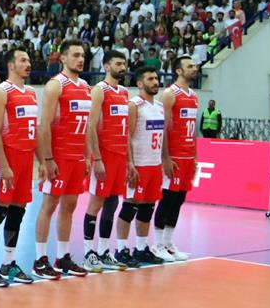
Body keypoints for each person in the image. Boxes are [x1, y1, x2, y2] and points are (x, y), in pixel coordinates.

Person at [0, 47, 38, 286]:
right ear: (11, 65)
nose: (28, 64)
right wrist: (4, 166)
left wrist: (42, 161)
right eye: (23, 60)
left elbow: (34, 130)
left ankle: (9, 263)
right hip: (8, 157)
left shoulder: (31, 92)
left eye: (29, 60)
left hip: (26, 159)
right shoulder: (2, 91)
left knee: (17, 212)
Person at [33, 39, 92, 280]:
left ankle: (62, 257)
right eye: (75, 55)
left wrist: (87, 155)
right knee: (49, 205)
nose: (80, 59)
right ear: (63, 58)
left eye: (83, 55)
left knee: (70, 205)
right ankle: (40, 259)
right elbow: (44, 125)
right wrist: (47, 159)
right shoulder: (56, 85)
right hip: (59, 156)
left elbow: (86, 126)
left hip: (77, 157)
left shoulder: (86, 86)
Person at [82, 50, 133, 273]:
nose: (122, 67)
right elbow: (91, 126)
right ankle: (88, 253)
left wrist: (129, 161)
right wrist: (97, 159)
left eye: (124, 64)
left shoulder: (124, 92)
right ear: (106, 66)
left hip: (120, 157)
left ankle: (104, 251)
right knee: (96, 203)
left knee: (112, 204)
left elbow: (126, 130)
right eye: (118, 63)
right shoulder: (99, 90)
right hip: (105, 155)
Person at [116, 68, 167, 267]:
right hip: (139, 164)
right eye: (150, 79)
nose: (155, 82)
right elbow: (126, 136)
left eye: (156, 78)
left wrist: (163, 160)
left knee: (148, 207)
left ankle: (141, 248)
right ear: (139, 83)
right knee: (130, 205)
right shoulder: (134, 105)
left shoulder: (160, 106)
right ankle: (121, 250)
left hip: (154, 164)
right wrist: (129, 163)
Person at [153, 56, 200, 261]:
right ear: (179, 71)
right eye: (190, 66)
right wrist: (165, 157)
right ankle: (157, 244)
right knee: (168, 198)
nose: (194, 68)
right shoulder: (170, 94)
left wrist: (195, 156)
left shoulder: (194, 96)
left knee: (179, 200)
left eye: (195, 65)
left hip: (188, 157)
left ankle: (168, 243)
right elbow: (163, 128)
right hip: (174, 156)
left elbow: (193, 128)